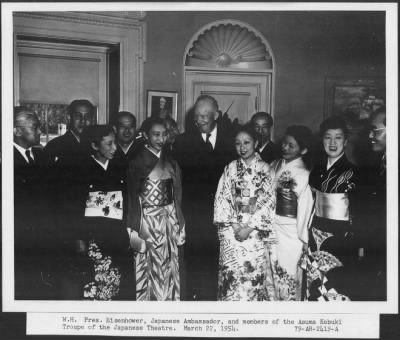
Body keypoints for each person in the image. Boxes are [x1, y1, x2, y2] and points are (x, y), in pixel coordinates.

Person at [173, 94, 236, 300]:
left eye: (205, 117)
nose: (199, 121)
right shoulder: (183, 142)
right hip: (195, 213)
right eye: (197, 117)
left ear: (216, 115)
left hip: (224, 215)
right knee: (195, 261)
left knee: (221, 261)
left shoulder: (232, 140)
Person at [214, 125, 277, 301]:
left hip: (254, 232)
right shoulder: (230, 169)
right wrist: (235, 225)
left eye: (247, 142)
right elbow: (223, 198)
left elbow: (268, 202)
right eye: (238, 143)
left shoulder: (266, 169)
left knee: (252, 278)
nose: (242, 147)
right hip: (232, 232)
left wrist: (248, 228)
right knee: (231, 278)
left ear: (256, 143)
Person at [126, 118, 185, 301]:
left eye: (164, 134)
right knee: (149, 267)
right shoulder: (135, 163)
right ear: (145, 135)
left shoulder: (172, 162)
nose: (161, 138)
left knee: (170, 265)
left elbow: (177, 194)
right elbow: (131, 197)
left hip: (169, 220)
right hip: (147, 222)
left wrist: (180, 222)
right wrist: (134, 228)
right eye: (156, 134)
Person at [303, 116, 361, 301]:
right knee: (314, 284)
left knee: (336, 285)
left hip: (342, 237)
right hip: (315, 234)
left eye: (338, 137)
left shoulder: (355, 173)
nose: (333, 142)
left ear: (345, 141)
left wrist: (359, 244)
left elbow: (360, 213)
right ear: (322, 140)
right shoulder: (316, 171)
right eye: (328, 137)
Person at [75, 125, 135, 300]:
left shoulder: (121, 166)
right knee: (95, 284)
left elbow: (129, 199)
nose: (115, 148)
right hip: (93, 236)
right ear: (94, 146)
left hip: (118, 234)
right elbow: (74, 206)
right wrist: (79, 237)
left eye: (114, 143)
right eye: (109, 144)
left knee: (120, 282)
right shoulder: (80, 169)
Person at [13, 107, 56, 299]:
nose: (40, 132)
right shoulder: (7, 160)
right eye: (35, 127)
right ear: (17, 130)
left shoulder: (41, 156)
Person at [269, 125, 314, 300]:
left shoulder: (304, 174)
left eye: (291, 145)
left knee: (287, 273)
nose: (284, 148)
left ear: (303, 149)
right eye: (284, 143)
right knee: (270, 274)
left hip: (291, 232)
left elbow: (305, 207)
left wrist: (305, 239)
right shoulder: (275, 165)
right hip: (271, 226)